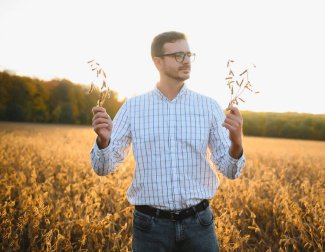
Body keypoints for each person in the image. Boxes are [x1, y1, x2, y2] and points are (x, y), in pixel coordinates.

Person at [90, 31, 246, 252]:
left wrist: (237, 142)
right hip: (150, 227)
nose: (187, 60)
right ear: (158, 62)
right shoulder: (133, 107)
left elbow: (231, 171)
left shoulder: (209, 107)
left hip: (199, 225)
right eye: (178, 55)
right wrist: (104, 141)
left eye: (189, 54)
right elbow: (102, 168)